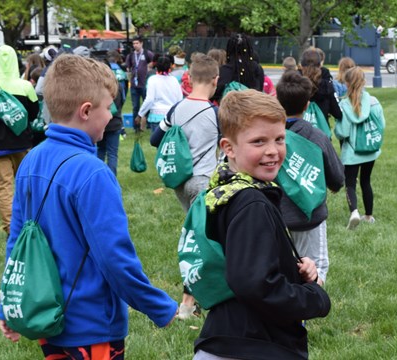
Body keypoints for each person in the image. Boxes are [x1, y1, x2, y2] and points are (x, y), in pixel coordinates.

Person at [0, 54, 177, 358]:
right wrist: (159, 306)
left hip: (47, 317)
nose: (110, 116)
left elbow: (17, 244)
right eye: (108, 108)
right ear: (85, 111)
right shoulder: (93, 173)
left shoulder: (31, 160)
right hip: (91, 325)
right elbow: (114, 258)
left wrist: (9, 303)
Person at [193, 90, 331, 359]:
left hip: (230, 336)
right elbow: (256, 285)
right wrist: (315, 298)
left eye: (279, 139)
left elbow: (244, 259)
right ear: (228, 147)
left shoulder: (225, 190)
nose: (272, 151)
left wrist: (293, 268)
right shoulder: (251, 203)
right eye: (258, 141)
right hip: (253, 344)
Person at [150, 55, 221, 320]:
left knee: (198, 237)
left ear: (188, 79)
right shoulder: (215, 113)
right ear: (216, 81)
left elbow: (156, 139)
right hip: (204, 182)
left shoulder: (176, 109)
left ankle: (196, 300)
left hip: (180, 183)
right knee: (202, 243)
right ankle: (188, 304)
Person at [275, 71, 345, 284]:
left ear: (277, 101)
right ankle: (303, 312)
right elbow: (337, 177)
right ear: (307, 104)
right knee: (316, 268)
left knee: (282, 269)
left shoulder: (270, 136)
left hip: (277, 217)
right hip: (310, 217)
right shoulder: (317, 137)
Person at [0, 45, 39, 235]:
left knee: (4, 188)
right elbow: (33, 113)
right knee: (28, 186)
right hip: (23, 143)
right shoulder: (26, 86)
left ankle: (10, 228)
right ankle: (32, 222)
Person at [335, 66, 385, 230]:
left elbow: (343, 132)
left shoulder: (344, 104)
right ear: (364, 81)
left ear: (347, 83)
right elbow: (381, 125)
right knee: (366, 181)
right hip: (370, 150)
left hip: (352, 152)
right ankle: (369, 215)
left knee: (350, 183)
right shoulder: (374, 101)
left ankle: (354, 212)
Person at [212, 33, 265, 103]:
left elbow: (215, 94)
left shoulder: (224, 70)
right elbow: (259, 89)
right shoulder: (257, 68)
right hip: (253, 107)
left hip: (230, 109)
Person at [137, 55, 183, 132]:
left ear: (156, 67)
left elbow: (149, 100)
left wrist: (140, 114)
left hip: (156, 117)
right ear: (170, 67)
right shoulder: (174, 80)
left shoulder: (152, 80)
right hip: (171, 117)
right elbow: (179, 99)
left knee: (157, 143)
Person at [299, 48, 342, 127]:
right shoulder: (326, 86)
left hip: (298, 132)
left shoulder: (294, 84)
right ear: (320, 65)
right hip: (321, 133)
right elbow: (338, 113)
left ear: (301, 65)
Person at [125, 36, 154, 131]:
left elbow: (154, 62)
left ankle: (149, 124)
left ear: (141, 43)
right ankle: (136, 126)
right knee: (135, 106)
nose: (135, 45)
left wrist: (149, 68)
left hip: (145, 84)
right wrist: (130, 78)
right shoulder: (131, 55)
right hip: (134, 85)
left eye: (137, 43)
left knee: (148, 104)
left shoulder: (147, 53)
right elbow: (128, 68)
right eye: (133, 43)